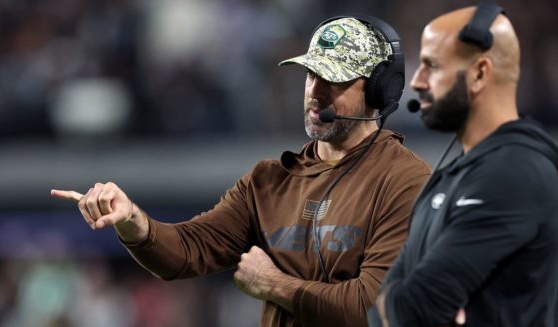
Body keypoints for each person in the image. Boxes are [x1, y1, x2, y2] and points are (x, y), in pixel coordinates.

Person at [52, 16, 430, 327]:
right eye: (311, 75)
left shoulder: (404, 183)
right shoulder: (269, 180)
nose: (316, 92)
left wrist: (274, 285)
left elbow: (376, 308)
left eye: (335, 79)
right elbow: (188, 250)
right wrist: (133, 221)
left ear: (379, 90)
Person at [369, 4, 558, 327]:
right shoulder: (457, 173)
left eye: (432, 66)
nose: (417, 81)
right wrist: (399, 302)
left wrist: (400, 302)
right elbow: (382, 307)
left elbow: (412, 309)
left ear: (480, 73)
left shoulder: (513, 173)